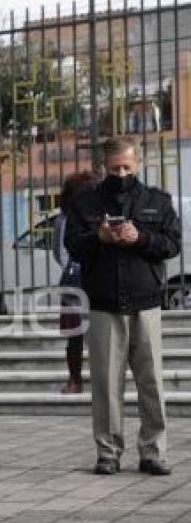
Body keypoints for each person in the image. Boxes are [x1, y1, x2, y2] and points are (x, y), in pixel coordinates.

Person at [65, 136, 181, 476]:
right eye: (114, 168)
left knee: (151, 382)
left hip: (146, 303)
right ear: (104, 167)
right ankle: (108, 452)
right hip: (103, 305)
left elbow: (172, 245)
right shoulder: (84, 202)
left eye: (126, 167)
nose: (120, 173)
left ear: (137, 164)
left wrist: (140, 238)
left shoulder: (157, 201)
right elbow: (73, 246)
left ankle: (153, 451)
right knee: (105, 383)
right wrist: (97, 238)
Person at [52, 171, 99, 394]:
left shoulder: (102, 214)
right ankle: (74, 379)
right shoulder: (63, 219)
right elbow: (60, 252)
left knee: (102, 333)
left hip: (100, 279)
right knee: (74, 334)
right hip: (74, 281)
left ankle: (103, 378)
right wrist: (74, 266)